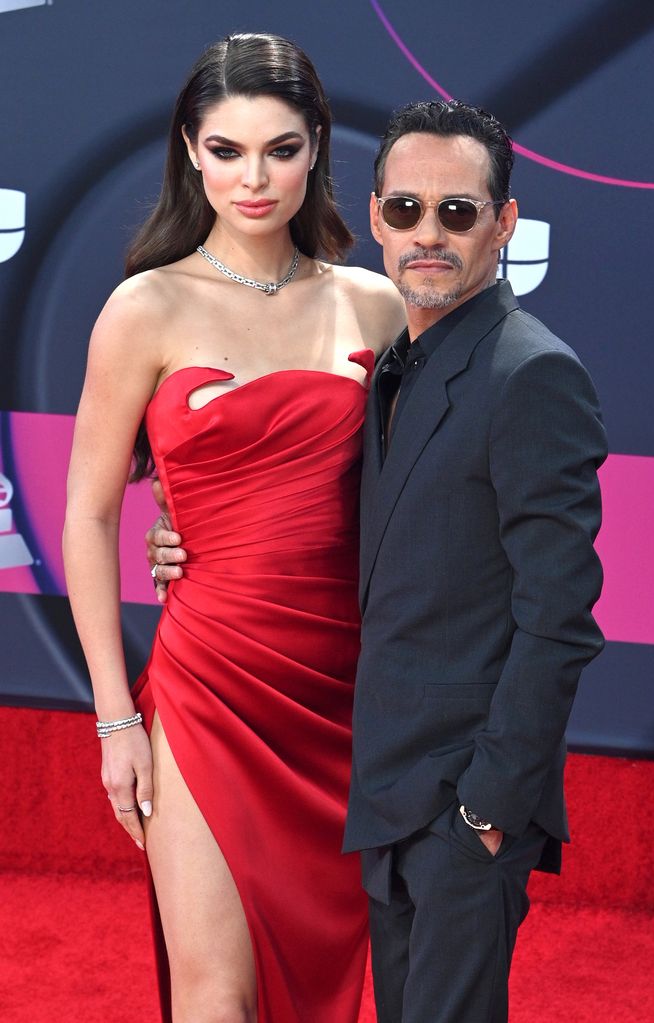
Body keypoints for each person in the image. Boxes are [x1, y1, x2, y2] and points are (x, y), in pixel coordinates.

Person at [149, 99, 607, 1022]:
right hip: (384, 789)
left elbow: (559, 618)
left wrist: (488, 809)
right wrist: (197, 534)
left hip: (461, 806)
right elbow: (340, 513)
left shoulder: (531, 374)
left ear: (503, 223)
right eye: (403, 211)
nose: (426, 234)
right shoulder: (400, 362)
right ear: (376, 216)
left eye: (456, 211)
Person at [63, 32, 404, 1023]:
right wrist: (115, 720)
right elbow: (86, 516)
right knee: (214, 990)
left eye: (280, 150)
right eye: (226, 151)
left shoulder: (376, 307)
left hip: (341, 690)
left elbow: (418, 501)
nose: (253, 178)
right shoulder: (145, 308)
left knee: (326, 977)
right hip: (206, 683)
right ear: (188, 151)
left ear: (318, 149)